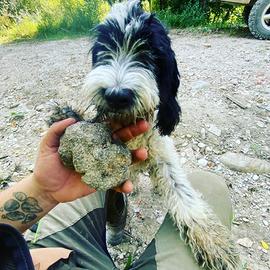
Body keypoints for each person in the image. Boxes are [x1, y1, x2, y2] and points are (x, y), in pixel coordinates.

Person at [0, 118, 233, 270]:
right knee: (209, 188)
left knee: (98, 166)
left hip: (26, 255)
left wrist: (44, 190)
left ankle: (116, 228)